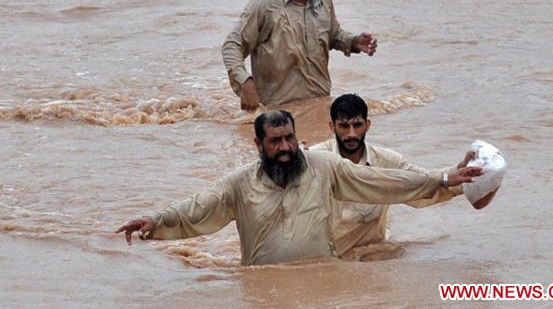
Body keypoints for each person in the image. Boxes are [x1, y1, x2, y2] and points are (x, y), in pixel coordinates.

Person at [116, 110, 483, 266]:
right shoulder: (240, 184)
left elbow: (382, 182)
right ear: (259, 145)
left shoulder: (323, 167)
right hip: (263, 293)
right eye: (275, 141)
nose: (286, 148)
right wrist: (154, 220)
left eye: (290, 138)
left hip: (323, 286)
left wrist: (442, 177)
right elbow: (196, 209)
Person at [222, 0, 378, 111]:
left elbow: (333, 35)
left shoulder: (324, 1)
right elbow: (231, 46)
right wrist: (246, 84)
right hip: (276, 116)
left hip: (320, 107)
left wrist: (354, 42)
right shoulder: (265, 5)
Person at [311, 94, 476, 256]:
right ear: (332, 127)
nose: (352, 134)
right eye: (344, 126)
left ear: (368, 125)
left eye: (358, 125)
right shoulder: (314, 159)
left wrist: (461, 172)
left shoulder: (386, 161)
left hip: (371, 252)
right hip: (324, 257)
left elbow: (422, 181)